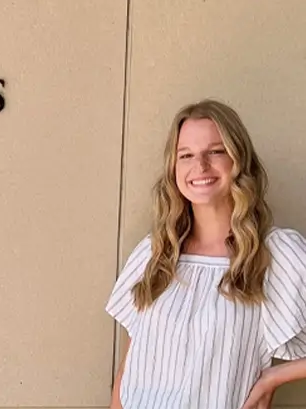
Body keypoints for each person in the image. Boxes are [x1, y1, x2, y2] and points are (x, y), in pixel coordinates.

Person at [106, 99, 306, 409]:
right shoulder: (156, 251)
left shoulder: (275, 254)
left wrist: (272, 378)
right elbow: (132, 364)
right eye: (186, 155)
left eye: (215, 152)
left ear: (238, 159)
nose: (200, 166)